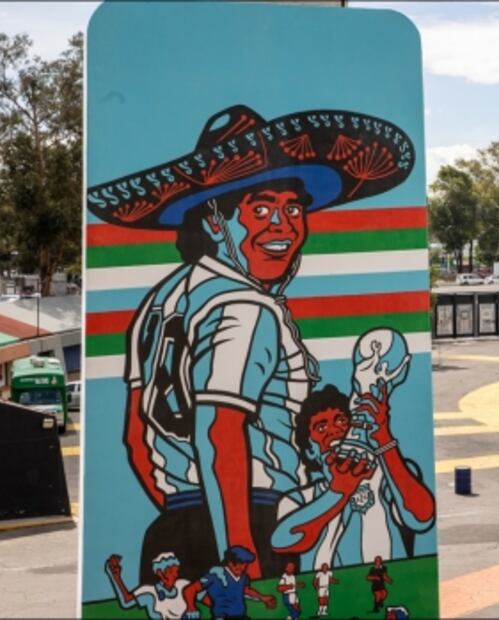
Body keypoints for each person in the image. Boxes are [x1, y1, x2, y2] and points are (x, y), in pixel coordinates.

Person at [85, 104, 414, 582]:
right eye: (259, 208)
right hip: (249, 526)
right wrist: (240, 556)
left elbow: (137, 438)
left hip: (175, 529)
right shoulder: (245, 306)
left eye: (292, 207)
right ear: (215, 219)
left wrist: (188, 515)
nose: (282, 225)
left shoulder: (161, 301)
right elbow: (220, 432)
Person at [270, 383, 434, 569]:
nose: (334, 431)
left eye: (341, 421)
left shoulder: (386, 477)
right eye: (321, 428)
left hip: (389, 589)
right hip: (329, 592)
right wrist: (339, 491)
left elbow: (421, 518)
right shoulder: (299, 498)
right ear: (309, 451)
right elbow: (284, 542)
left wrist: (383, 439)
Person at [183, 546, 276, 619]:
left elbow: (246, 590)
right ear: (230, 563)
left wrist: (263, 598)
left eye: (245, 564)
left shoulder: (243, 577)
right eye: (240, 564)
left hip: (240, 616)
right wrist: (191, 607)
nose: (243, 568)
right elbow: (190, 589)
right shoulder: (216, 576)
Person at [104, 552, 198, 620]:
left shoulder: (182, 585)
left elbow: (203, 595)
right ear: (159, 573)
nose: (175, 575)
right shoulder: (149, 591)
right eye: (170, 572)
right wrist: (116, 577)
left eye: (176, 571)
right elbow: (126, 601)